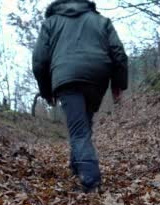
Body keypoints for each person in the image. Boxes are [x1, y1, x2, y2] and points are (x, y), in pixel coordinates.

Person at [32, 0, 128, 193]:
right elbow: (119, 54)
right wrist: (118, 84)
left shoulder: (51, 23)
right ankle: (77, 166)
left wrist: (46, 91)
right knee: (83, 123)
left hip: (66, 77)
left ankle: (90, 181)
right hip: (97, 76)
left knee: (78, 130)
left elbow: (39, 60)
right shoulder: (101, 21)